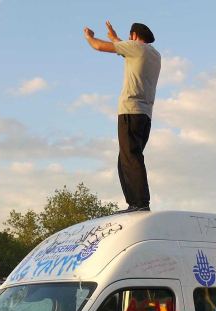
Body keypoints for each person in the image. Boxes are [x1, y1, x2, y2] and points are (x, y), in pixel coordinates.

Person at [83, 20, 161, 212]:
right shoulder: (154, 55)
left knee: (131, 158)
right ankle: (135, 203)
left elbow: (99, 46)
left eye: (129, 36)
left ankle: (140, 204)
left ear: (134, 36)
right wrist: (113, 36)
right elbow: (124, 47)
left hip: (130, 110)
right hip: (145, 115)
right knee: (126, 159)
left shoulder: (134, 48)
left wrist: (89, 36)